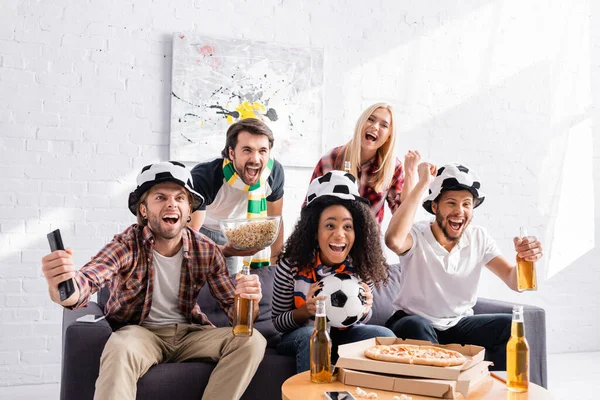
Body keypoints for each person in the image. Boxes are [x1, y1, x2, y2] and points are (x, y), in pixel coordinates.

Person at [41, 161, 266, 400]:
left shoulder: (206, 249)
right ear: (144, 210)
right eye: (160, 197)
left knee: (251, 340)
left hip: (191, 334)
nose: (172, 203)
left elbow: (237, 315)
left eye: (180, 198)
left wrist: (247, 301)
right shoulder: (127, 244)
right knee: (120, 347)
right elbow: (87, 281)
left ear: (189, 210)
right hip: (141, 333)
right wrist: (63, 286)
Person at [384, 162, 543, 369]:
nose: (459, 211)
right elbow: (393, 240)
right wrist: (422, 184)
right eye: (451, 203)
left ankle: (495, 390)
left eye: (466, 204)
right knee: (416, 326)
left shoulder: (478, 237)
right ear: (434, 206)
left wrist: (524, 259)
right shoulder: (416, 235)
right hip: (412, 322)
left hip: (457, 324)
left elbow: (516, 283)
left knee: (511, 326)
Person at [273, 170, 395, 373]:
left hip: (343, 336)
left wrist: (365, 310)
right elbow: (278, 322)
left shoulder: (361, 264)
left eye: (348, 226)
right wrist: (306, 311)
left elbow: (362, 319)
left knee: (385, 336)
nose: (340, 234)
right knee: (309, 337)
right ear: (314, 230)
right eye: (330, 225)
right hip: (300, 337)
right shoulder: (291, 266)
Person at [189, 118, 284, 273]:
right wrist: (225, 250)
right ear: (232, 153)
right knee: (193, 283)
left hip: (232, 233)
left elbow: (276, 221)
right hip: (201, 231)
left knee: (228, 287)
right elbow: (189, 239)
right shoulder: (206, 177)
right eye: (247, 150)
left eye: (262, 151)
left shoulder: (273, 174)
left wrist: (276, 267)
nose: (255, 159)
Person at [309, 102, 420, 225]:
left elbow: (402, 218)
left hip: (369, 241)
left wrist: (411, 173)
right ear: (361, 123)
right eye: (371, 119)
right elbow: (308, 210)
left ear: (389, 136)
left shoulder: (393, 168)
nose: (375, 127)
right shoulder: (331, 159)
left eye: (384, 125)